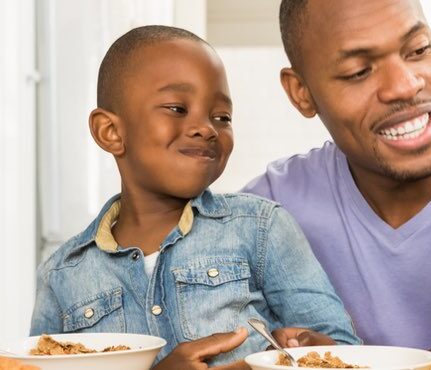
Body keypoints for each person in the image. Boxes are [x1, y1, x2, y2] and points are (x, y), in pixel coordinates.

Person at [29, 25, 360, 369]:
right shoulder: (63, 275)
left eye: (222, 117)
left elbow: (343, 352)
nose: (207, 128)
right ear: (111, 132)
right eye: (177, 108)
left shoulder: (261, 228)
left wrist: (316, 351)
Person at [241, 0, 431, 349]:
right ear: (301, 93)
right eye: (358, 71)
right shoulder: (262, 215)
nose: (404, 85)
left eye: (418, 49)